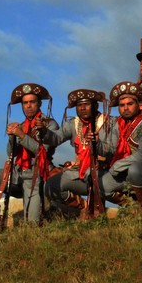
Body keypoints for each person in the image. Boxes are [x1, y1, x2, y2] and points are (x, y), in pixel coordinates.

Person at [0, 84, 60, 231]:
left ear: (39, 104)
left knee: (31, 226)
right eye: (25, 103)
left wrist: (21, 135)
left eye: (32, 102)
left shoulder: (50, 124)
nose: (28, 106)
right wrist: (12, 137)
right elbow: (10, 153)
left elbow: (42, 151)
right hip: (18, 172)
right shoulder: (21, 125)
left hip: (36, 175)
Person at [46, 89, 118, 219]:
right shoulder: (73, 124)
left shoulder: (110, 122)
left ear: (95, 106)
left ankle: (130, 205)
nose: (82, 108)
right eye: (79, 105)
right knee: (52, 184)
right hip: (82, 171)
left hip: (105, 171)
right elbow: (56, 138)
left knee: (97, 177)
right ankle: (84, 208)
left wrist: (97, 144)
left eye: (86, 104)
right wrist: (42, 131)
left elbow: (113, 149)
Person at [101, 82, 142, 210]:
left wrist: (118, 165)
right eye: (122, 105)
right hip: (124, 168)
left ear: (138, 105)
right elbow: (111, 148)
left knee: (135, 170)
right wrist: (94, 143)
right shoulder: (118, 123)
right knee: (101, 185)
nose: (125, 108)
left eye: (130, 104)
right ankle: (132, 208)